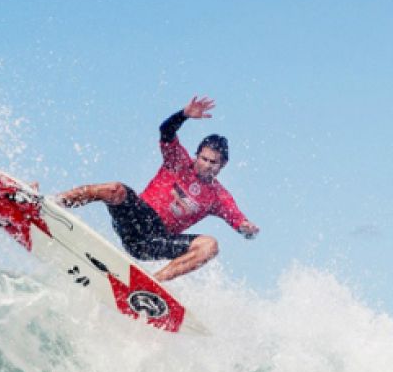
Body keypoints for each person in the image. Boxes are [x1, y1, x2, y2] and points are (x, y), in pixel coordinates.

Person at [56, 95, 259, 282]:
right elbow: (166, 131)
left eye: (213, 162)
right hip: (136, 219)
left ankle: (152, 284)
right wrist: (183, 115)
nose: (207, 165)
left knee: (210, 246)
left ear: (222, 165)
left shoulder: (218, 197)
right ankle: (54, 203)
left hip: (158, 240)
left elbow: (240, 223)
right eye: (204, 159)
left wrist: (247, 230)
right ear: (196, 155)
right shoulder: (178, 161)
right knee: (115, 189)